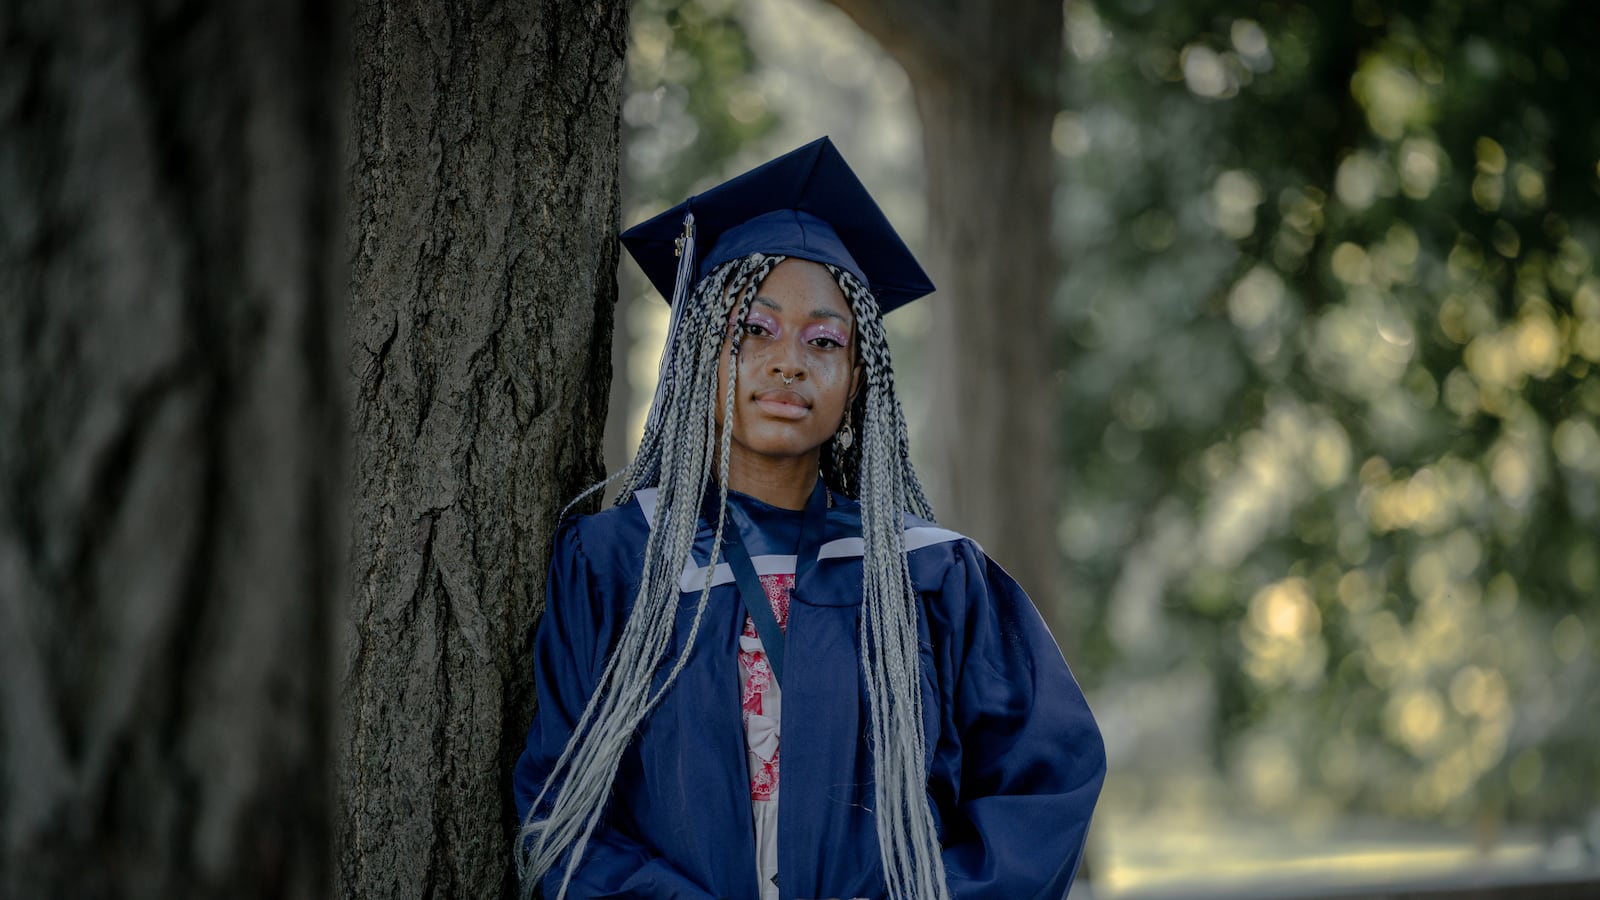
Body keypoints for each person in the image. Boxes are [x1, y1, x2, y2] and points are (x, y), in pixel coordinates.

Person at [513, 137, 1105, 900]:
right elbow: (561, 808)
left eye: (824, 340)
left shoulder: (928, 572)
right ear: (698, 353)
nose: (789, 360)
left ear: (858, 379)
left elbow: (1044, 785)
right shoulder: (617, 560)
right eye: (753, 329)